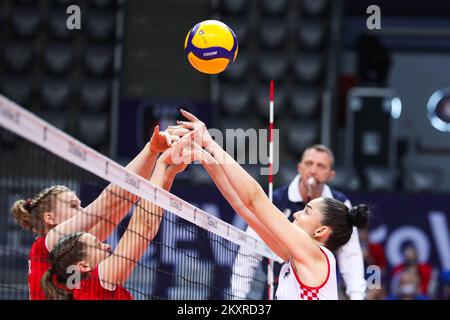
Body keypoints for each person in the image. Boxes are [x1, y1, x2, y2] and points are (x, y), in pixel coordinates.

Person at [167, 110, 369, 300]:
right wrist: (208, 161)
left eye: (307, 212)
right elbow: (243, 208)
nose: (297, 214)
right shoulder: (295, 254)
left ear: (321, 231)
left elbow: (254, 199)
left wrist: (211, 143)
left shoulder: (313, 252)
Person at [11, 125, 179, 300]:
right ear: (50, 218)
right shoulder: (47, 246)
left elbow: (124, 201)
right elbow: (109, 202)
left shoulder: (75, 258)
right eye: (72, 205)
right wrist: (152, 150)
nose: (82, 210)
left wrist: (155, 154)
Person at [40, 147, 187, 300]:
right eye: (98, 245)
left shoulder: (89, 286)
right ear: (83, 266)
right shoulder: (97, 282)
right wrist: (162, 163)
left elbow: (146, 229)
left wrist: (168, 174)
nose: (107, 245)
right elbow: (144, 226)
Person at [230, 144, 367, 299]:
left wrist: (357, 296)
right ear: (299, 167)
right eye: (309, 163)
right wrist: (237, 296)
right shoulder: (278, 200)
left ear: (331, 175)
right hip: (277, 286)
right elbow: (244, 212)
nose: (313, 170)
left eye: (321, 166)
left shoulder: (339, 207)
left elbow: (351, 257)